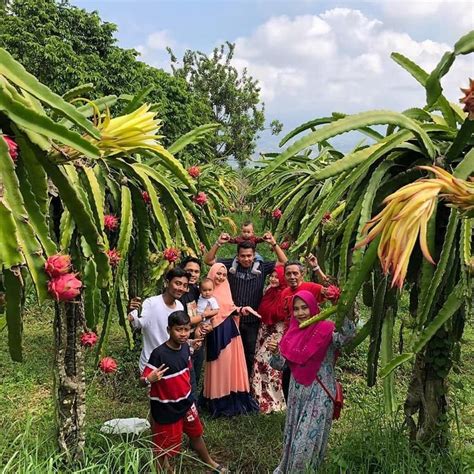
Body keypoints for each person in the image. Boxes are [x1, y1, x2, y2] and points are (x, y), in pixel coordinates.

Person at [268, 290, 355, 473]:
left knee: (305, 442)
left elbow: (346, 337)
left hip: (319, 396)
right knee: (293, 437)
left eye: (305, 307)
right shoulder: (291, 333)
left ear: (314, 307)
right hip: (296, 395)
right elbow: (279, 365)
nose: (300, 313)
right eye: (296, 309)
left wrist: (341, 308)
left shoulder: (327, 329)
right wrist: (275, 352)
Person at [141, 311, 225, 473]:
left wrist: (192, 346)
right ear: (168, 329)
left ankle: (209, 462)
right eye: (179, 329)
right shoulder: (159, 354)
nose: (183, 334)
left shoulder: (186, 347)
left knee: (196, 434)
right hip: (167, 409)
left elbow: (186, 367)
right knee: (163, 447)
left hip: (186, 403)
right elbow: (142, 381)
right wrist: (148, 379)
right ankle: (164, 469)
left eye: (186, 329)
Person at [204, 233, 288, 378]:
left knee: (249, 354)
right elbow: (208, 260)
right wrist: (218, 242)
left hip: (252, 321)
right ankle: (230, 383)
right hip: (231, 319)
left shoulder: (261, 266)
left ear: (254, 255)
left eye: (249, 255)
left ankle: (246, 386)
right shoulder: (230, 265)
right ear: (237, 256)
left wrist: (273, 243)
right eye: (242, 256)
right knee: (230, 353)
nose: (246, 259)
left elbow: (283, 261)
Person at [200, 263, 259, 417]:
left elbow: (230, 308)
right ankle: (216, 400)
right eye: (218, 274)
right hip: (215, 332)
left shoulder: (226, 289)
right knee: (217, 365)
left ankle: (232, 397)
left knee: (231, 364)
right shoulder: (206, 293)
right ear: (211, 274)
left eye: (223, 274)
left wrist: (242, 309)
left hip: (230, 330)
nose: (220, 277)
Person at [278, 259, 328, 400]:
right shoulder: (285, 293)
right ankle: (292, 410)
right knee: (287, 376)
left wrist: (317, 268)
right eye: (288, 274)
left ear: (302, 274)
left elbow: (331, 290)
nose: (292, 277)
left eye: (295, 273)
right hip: (291, 339)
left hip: (309, 339)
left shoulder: (311, 287)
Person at [128, 268, 189, 373]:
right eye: (177, 283)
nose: (181, 288)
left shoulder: (179, 306)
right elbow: (134, 321)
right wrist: (129, 310)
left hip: (171, 363)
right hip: (152, 365)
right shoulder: (151, 303)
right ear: (167, 282)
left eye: (184, 285)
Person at [250, 266, 287, 413]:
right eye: (271, 276)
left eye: (277, 277)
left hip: (276, 333)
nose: (273, 279)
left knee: (268, 364)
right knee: (259, 364)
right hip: (263, 331)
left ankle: (274, 402)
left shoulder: (285, 295)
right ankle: (259, 399)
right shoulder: (268, 291)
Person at [179, 256, 209, 395]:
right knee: (183, 377)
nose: (193, 274)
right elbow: (181, 320)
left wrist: (204, 326)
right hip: (182, 340)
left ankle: (193, 407)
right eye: (189, 270)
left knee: (195, 375)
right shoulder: (178, 293)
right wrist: (203, 317)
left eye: (196, 271)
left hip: (197, 339)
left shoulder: (198, 291)